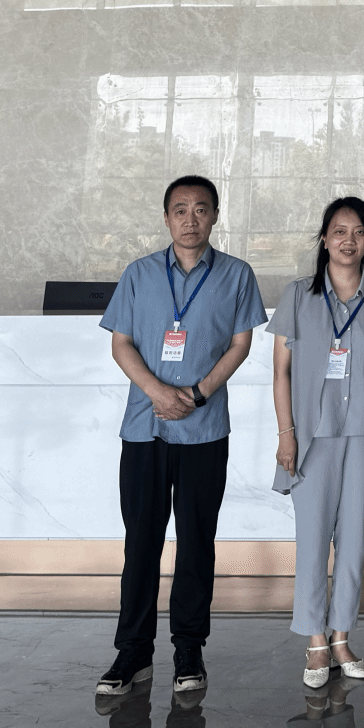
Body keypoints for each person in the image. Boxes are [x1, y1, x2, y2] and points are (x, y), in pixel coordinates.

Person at [95, 175, 268, 697]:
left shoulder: (237, 274)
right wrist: (158, 392)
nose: (190, 219)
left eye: (200, 209)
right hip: (144, 427)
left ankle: (189, 649)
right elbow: (121, 342)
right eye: (179, 209)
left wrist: (196, 394)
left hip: (204, 430)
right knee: (141, 542)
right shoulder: (139, 273)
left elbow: (240, 344)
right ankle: (133, 651)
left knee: (196, 543)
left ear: (214, 215)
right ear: (166, 216)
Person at [268, 196, 364, 688]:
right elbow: (280, 373)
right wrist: (286, 434)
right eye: (339, 231)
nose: (349, 240)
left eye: (359, 231)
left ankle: (341, 636)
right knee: (312, 540)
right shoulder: (297, 295)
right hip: (311, 438)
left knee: (353, 540)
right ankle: (315, 641)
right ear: (324, 238)